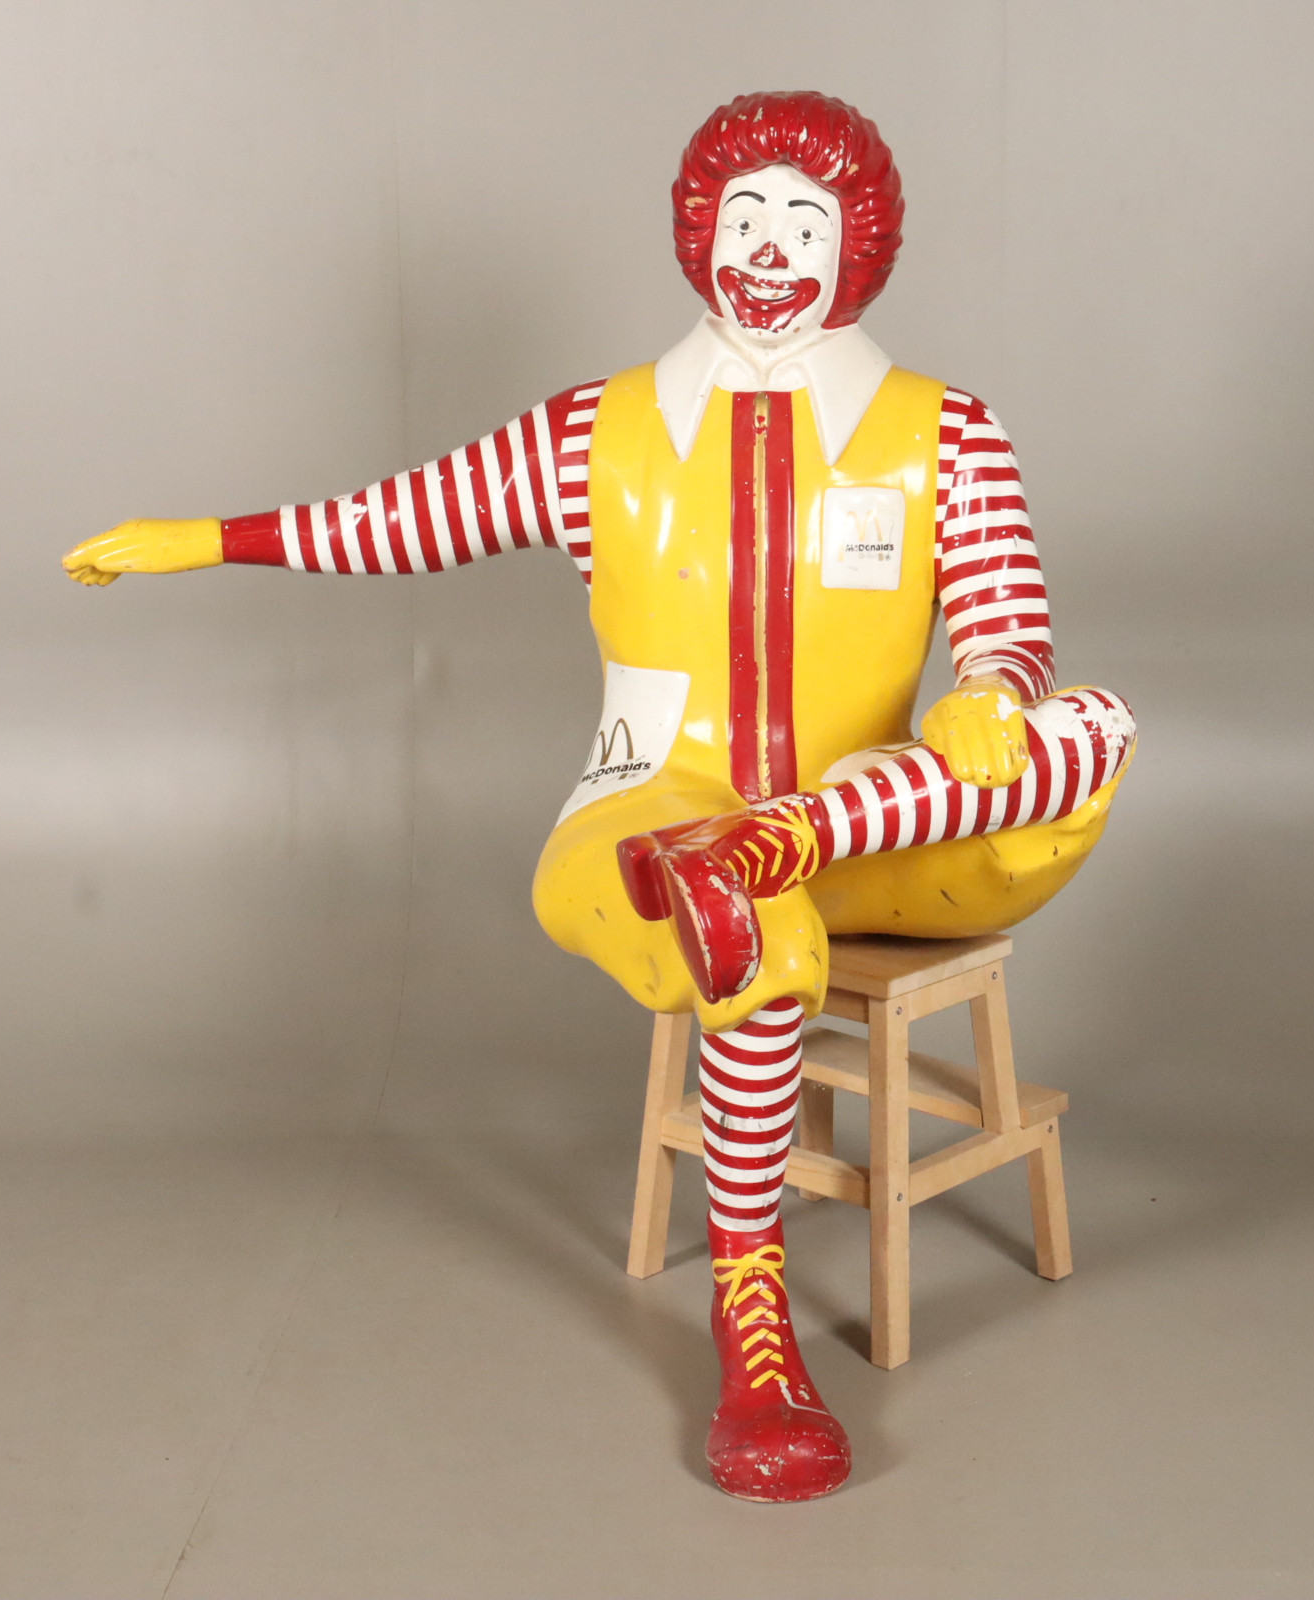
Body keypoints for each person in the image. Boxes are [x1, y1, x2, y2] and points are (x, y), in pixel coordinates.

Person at [63, 90, 1135, 1503]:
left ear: (860, 247)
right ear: (697, 234)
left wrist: (990, 693)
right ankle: (753, 1323)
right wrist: (210, 538)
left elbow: (1008, 623)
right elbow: (402, 518)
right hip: (648, 819)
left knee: (1092, 729)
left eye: (803, 221)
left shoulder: (949, 433)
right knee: (756, 937)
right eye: (743, 216)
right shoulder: (596, 433)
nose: (769, 247)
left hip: (879, 823)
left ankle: (785, 835)